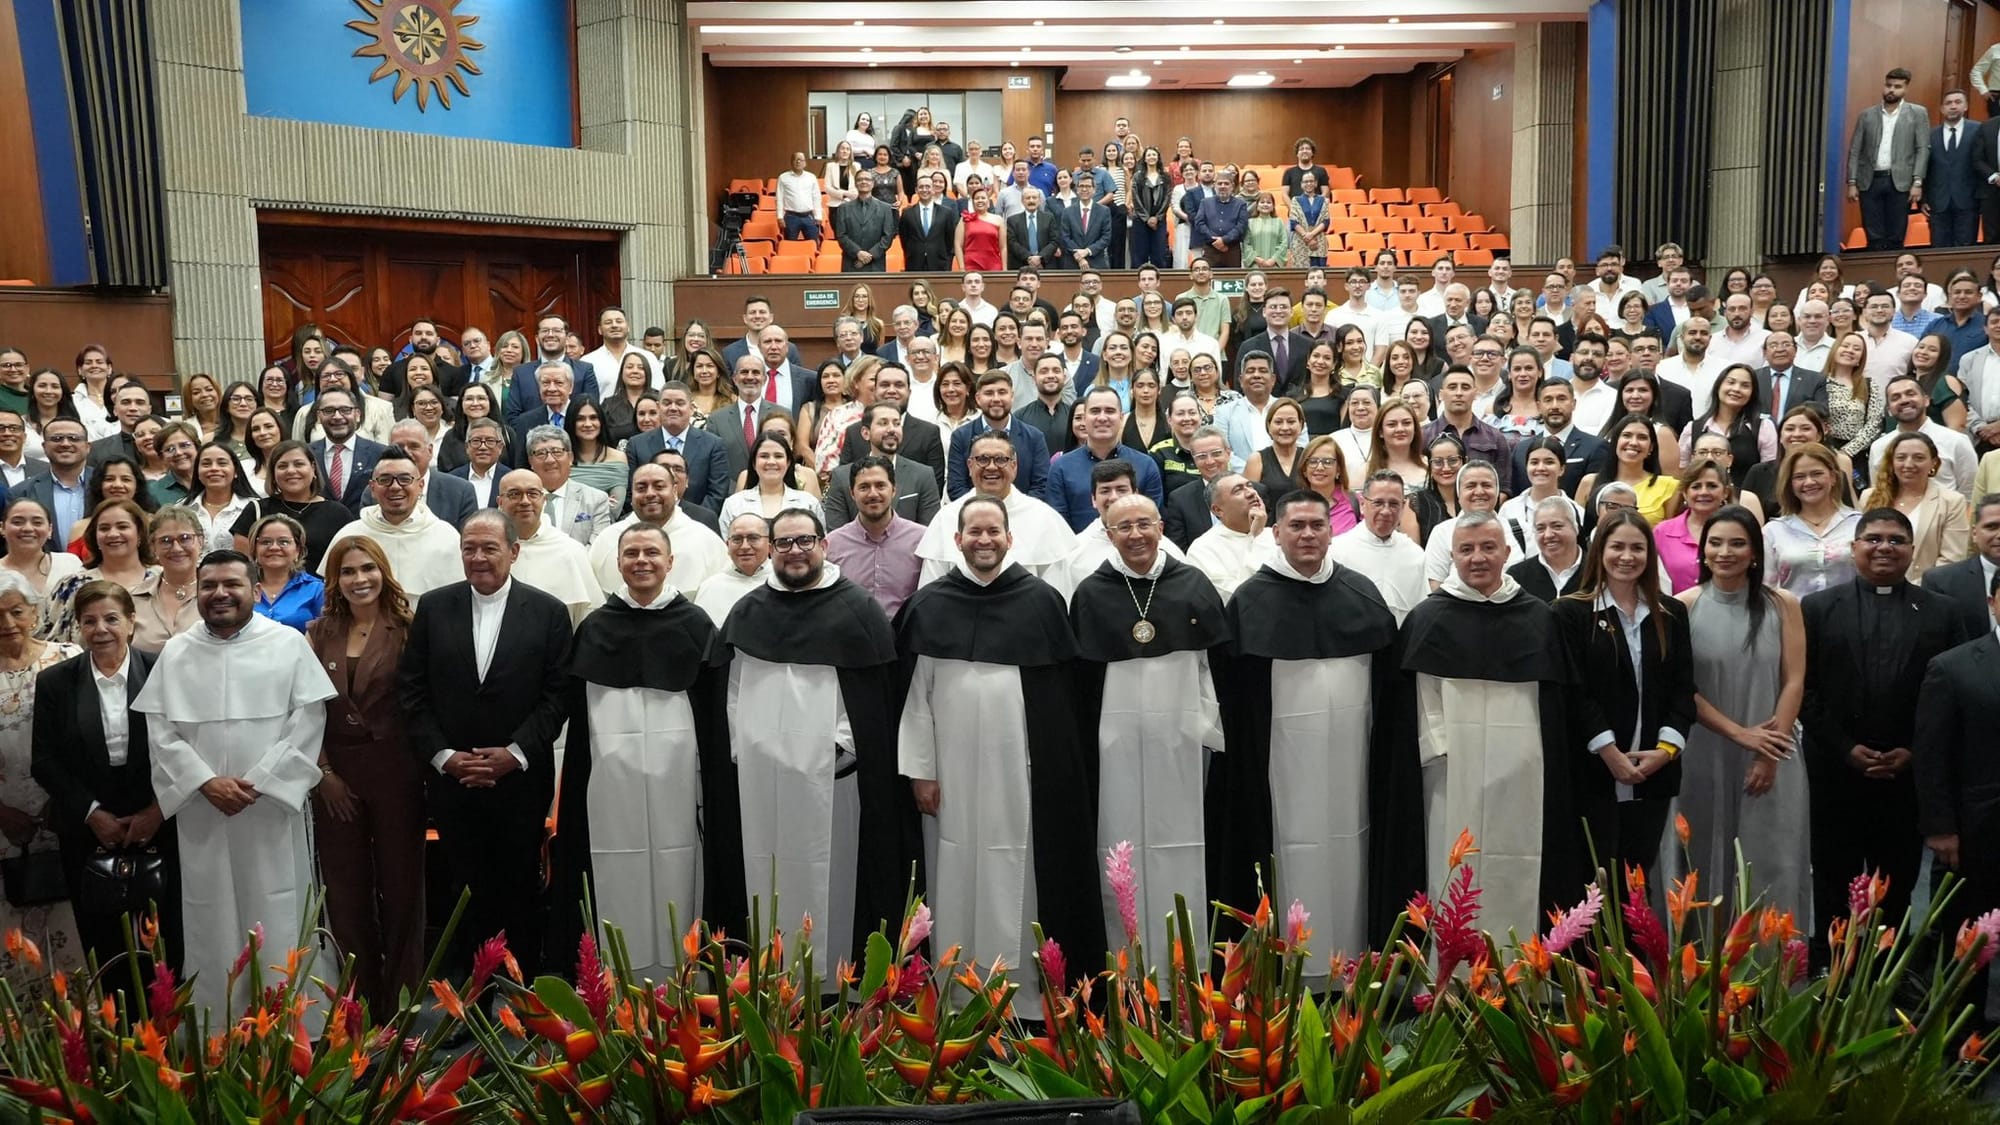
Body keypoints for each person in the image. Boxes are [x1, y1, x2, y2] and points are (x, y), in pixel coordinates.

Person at [897, 495, 1105, 1016]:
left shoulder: (1040, 603)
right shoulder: (929, 605)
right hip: (952, 776)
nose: (984, 541)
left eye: (994, 532)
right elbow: (916, 699)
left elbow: (1058, 708)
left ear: (1010, 539)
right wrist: (921, 771)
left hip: (1022, 772)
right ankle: (953, 990)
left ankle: (1027, 998)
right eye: (974, 532)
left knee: (1024, 871)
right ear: (958, 540)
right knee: (955, 869)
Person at [1211, 490, 1417, 955]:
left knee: (1352, 848)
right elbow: (1234, 702)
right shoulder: (1249, 602)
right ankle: (1286, 963)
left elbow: (1390, 692)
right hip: (1278, 771)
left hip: (1353, 767)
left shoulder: (1361, 593)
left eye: (1317, 526)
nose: (1307, 535)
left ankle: (1353, 959)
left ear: (1332, 531)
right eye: (1297, 526)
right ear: (1277, 532)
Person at [134, 550, 334, 1015]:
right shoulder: (178, 650)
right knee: (211, 913)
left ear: (254, 589)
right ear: (197, 592)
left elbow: (308, 721)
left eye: (232, 584)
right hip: (204, 809)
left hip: (270, 807)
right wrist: (205, 782)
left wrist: (261, 782)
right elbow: (161, 732)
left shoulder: (287, 644)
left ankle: (291, 1022)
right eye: (209, 586)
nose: (220, 594)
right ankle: (217, 1024)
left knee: (280, 908)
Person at [719, 508, 915, 961]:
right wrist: (746, 747)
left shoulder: (858, 610)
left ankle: (834, 986)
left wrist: (836, 750)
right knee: (765, 876)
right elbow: (730, 691)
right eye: (784, 543)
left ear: (825, 546)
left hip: (835, 780)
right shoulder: (747, 612)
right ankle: (769, 973)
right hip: (761, 779)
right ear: (770, 551)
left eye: (805, 541)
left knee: (833, 876)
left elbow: (871, 702)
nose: (795, 552)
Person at [555, 523, 744, 975]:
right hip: (610, 784)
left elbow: (714, 718)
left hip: (681, 782)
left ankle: (685, 974)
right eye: (632, 553)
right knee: (615, 868)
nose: (642, 561)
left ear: (670, 562)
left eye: (652, 553)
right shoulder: (596, 626)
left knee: (681, 865)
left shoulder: (696, 625)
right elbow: (579, 722)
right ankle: (616, 976)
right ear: (617, 563)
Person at [398, 512, 570, 977]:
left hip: (520, 781)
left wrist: (513, 755)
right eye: (469, 548)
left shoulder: (550, 612)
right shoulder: (433, 608)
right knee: (461, 891)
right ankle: (466, 1001)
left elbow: (557, 697)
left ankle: (523, 995)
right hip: (453, 781)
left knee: (518, 889)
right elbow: (413, 690)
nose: (478, 558)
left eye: (489, 548)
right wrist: (444, 757)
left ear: (514, 552)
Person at [1802, 508, 1969, 964]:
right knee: (1833, 876)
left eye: (1897, 540)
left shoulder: (1944, 612)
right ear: (1854, 547)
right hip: (1836, 770)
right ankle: (1829, 969)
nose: (1884, 547)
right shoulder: (1816, 608)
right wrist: (1845, 749)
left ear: (1912, 551)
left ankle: (1886, 973)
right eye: (1873, 538)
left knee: (1894, 879)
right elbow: (1805, 690)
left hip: (1906, 773)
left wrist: (1913, 752)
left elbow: (1953, 694)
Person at [1401, 510, 1579, 938]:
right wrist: (1441, 750)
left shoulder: (1538, 617)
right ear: (1452, 556)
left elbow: (1555, 705)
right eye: (1466, 549)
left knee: (1518, 855)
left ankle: (1518, 966)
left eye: (1487, 548)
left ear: (1507, 552)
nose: (1477, 558)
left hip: (1522, 769)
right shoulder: (1429, 618)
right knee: (1451, 857)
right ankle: (1451, 972)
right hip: (1450, 770)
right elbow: (1419, 695)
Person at [1064, 493, 1227, 952]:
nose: (1135, 535)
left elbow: (1211, 671)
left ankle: (1185, 960)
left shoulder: (1193, 585)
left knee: (1183, 839)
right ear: (1108, 534)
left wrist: (1206, 730)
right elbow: (1081, 686)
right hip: (1113, 745)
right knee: (1118, 845)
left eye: (1143, 524)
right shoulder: (1092, 593)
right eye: (1124, 527)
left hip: (1181, 740)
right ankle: (1123, 962)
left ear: (1161, 527)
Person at [32, 579, 179, 980]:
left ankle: (169, 1032)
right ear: (78, 627)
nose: (101, 630)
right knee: (103, 942)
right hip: (87, 827)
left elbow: (186, 746)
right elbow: (43, 761)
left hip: (158, 821)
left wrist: (156, 810)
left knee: (165, 940)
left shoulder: (162, 669)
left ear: (132, 622)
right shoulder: (55, 682)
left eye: (112, 619)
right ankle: (117, 1036)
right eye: (89, 621)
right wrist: (93, 814)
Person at [305, 536, 425, 1011]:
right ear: (335, 580)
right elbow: (307, 711)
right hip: (336, 774)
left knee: (401, 890)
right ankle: (359, 1002)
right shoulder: (317, 632)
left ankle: (403, 1002)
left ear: (384, 572)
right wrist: (324, 773)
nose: (359, 580)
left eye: (367, 569)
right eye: (348, 572)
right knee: (346, 892)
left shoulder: (411, 628)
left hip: (397, 772)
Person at [1678, 504, 1811, 923]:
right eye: (1715, 543)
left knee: (1771, 856)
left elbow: (1794, 679)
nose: (1725, 552)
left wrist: (1768, 751)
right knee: (1700, 854)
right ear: (1703, 550)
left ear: (1755, 551)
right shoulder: (1683, 606)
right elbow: (1684, 690)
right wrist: (1739, 733)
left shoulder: (1783, 604)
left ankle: (1770, 974)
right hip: (1704, 749)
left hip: (1773, 749)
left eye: (1737, 543)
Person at [1555, 510, 1695, 884]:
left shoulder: (1672, 613)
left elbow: (1683, 690)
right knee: (1594, 883)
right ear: (1600, 550)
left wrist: (1665, 752)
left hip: (1655, 774)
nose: (1627, 556)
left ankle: (1633, 947)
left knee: (1637, 881)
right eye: (1617, 546)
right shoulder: (1570, 612)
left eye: (1637, 548)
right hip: (1592, 772)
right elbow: (1574, 692)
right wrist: (1610, 753)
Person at [1914, 571, 2000, 1012]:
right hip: (1974, 830)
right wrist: (1941, 827)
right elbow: (1931, 756)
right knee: (1966, 939)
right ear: (1992, 602)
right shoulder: (1953, 666)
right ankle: (1962, 1040)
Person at [0, 572, 81, 991]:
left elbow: (91, 735)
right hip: (3, 824)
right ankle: (18, 1045)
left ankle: (80, 1041)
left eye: (16, 611)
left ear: (34, 610)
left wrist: (66, 799)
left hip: (65, 815)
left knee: (73, 936)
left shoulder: (67, 658)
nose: (8, 622)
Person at [318, 448, 463, 597]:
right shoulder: (350, 535)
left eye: (405, 479)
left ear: (420, 486)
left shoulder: (446, 537)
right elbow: (332, 595)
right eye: (385, 480)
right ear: (372, 488)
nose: (395, 487)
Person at [589, 462, 728, 596]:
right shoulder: (608, 539)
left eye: (659, 486)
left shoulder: (705, 540)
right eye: (641, 488)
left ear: (674, 491)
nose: (650, 494)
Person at [497, 469, 602, 627]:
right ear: (500, 502)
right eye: (514, 494)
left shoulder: (570, 550)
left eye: (533, 493)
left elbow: (589, 618)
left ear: (544, 500)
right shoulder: (488, 550)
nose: (525, 501)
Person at [1863, 431, 1971, 584]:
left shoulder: (1952, 502)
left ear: (1933, 462)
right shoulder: (1868, 497)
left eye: (1918, 458)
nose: (1908, 464)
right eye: (1901, 458)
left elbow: (1952, 560)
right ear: (1892, 462)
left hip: (1928, 594)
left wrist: (1912, 592)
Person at [1765, 443, 1861, 596]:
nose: (1809, 482)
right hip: (1794, 618)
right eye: (1799, 477)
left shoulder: (1859, 524)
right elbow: (1767, 590)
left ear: (1833, 477)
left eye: (1817, 474)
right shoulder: (1773, 531)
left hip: (1851, 617)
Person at [245, 513, 322, 632]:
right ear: (255, 549)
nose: (274, 547)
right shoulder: (243, 588)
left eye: (284, 542)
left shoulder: (316, 590)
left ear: (298, 550)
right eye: (265, 542)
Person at [1509, 495, 1587, 602]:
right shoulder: (1517, 576)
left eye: (1557, 526)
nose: (1548, 535)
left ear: (1575, 528)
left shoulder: (1598, 571)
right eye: (1540, 528)